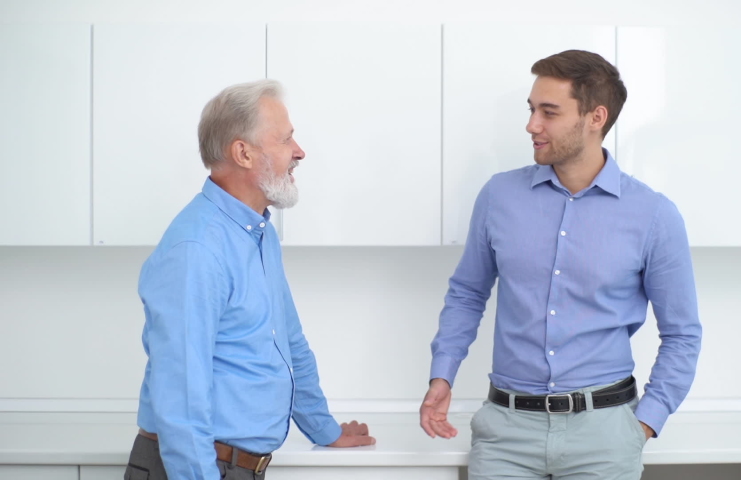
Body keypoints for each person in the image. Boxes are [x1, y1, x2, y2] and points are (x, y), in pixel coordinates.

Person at [420, 50, 702, 480]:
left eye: (548, 112)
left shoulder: (654, 215)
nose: (532, 125)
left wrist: (643, 424)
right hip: (506, 434)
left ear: (595, 117)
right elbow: (467, 294)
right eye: (532, 110)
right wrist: (442, 376)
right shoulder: (498, 196)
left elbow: (682, 334)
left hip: (605, 435)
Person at [124, 79, 375, 480]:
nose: (299, 152)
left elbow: (288, 343)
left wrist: (324, 430)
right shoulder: (197, 249)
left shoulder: (258, 232)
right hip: (196, 468)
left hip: (233, 467)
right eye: (286, 140)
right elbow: (181, 400)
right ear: (242, 153)